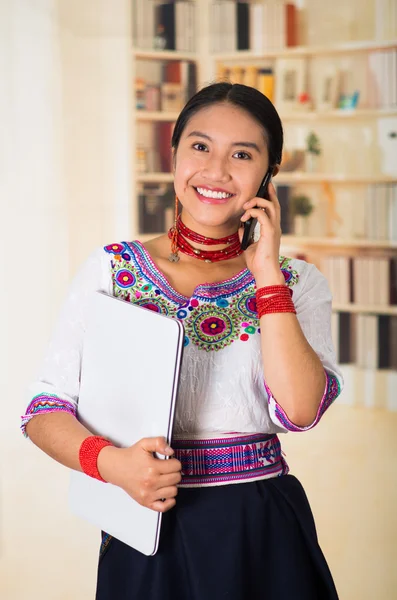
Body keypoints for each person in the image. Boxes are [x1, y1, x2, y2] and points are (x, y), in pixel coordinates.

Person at [21, 82, 343, 600]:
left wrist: (267, 277)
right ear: (174, 156)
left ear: (269, 174)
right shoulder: (112, 269)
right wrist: (114, 465)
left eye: (242, 154)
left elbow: (300, 411)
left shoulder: (298, 283)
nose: (216, 171)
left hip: (259, 530)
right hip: (145, 523)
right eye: (200, 146)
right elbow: (43, 408)